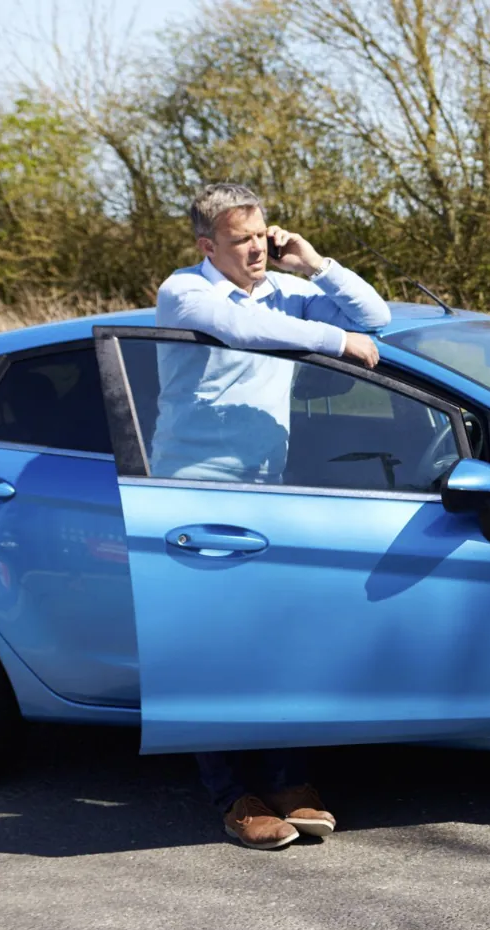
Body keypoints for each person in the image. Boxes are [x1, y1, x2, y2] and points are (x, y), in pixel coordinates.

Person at [154, 182, 392, 849]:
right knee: (211, 651)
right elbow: (241, 329)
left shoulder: (284, 293)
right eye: (240, 241)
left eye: (261, 235)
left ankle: (288, 781)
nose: (256, 249)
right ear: (208, 246)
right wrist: (335, 340)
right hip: (194, 495)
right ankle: (234, 796)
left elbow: (377, 319)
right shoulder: (187, 292)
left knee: (274, 638)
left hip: (266, 491)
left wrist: (315, 266)